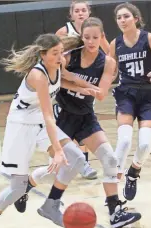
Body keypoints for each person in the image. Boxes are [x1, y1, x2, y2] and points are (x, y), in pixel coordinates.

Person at [15, 17, 142, 228]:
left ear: (102, 37)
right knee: (57, 170)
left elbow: (100, 94)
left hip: (85, 117)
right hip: (62, 116)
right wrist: (75, 81)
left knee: (110, 160)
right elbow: (55, 79)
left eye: (95, 37)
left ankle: (115, 212)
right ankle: (26, 184)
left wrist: (74, 81)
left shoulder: (107, 62)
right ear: (81, 38)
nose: (91, 41)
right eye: (87, 37)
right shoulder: (68, 56)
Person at [0, 33, 101, 228]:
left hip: (39, 121)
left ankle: (50, 205)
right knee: (17, 186)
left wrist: (89, 89)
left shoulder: (58, 66)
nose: (60, 57)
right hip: (21, 126)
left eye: (61, 52)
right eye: (55, 53)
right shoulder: (38, 75)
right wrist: (58, 150)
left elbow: (65, 80)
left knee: (76, 158)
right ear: (42, 55)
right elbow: (49, 115)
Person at [109, 2, 151, 201]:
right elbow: (109, 71)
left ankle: (134, 172)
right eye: (119, 17)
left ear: (136, 18)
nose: (122, 20)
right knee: (123, 141)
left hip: (149, 96)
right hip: (126, 95)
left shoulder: (150, 38)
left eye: (126, 16)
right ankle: (114, 184)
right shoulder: (115, 44)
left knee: (145, 145)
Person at [55, 0, 110, 179]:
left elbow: (108, 57)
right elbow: (54, 68)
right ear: (71, 14)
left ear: (89, 13)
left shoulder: (96, 33)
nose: (80, 13)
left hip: (85, 100)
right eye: (76, 10)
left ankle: (84, 164)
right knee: (59, 162)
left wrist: (105, 77)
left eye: (83, 10)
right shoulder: (64, 34)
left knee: (84, 123)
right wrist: (71, 78)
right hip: (64, 98)